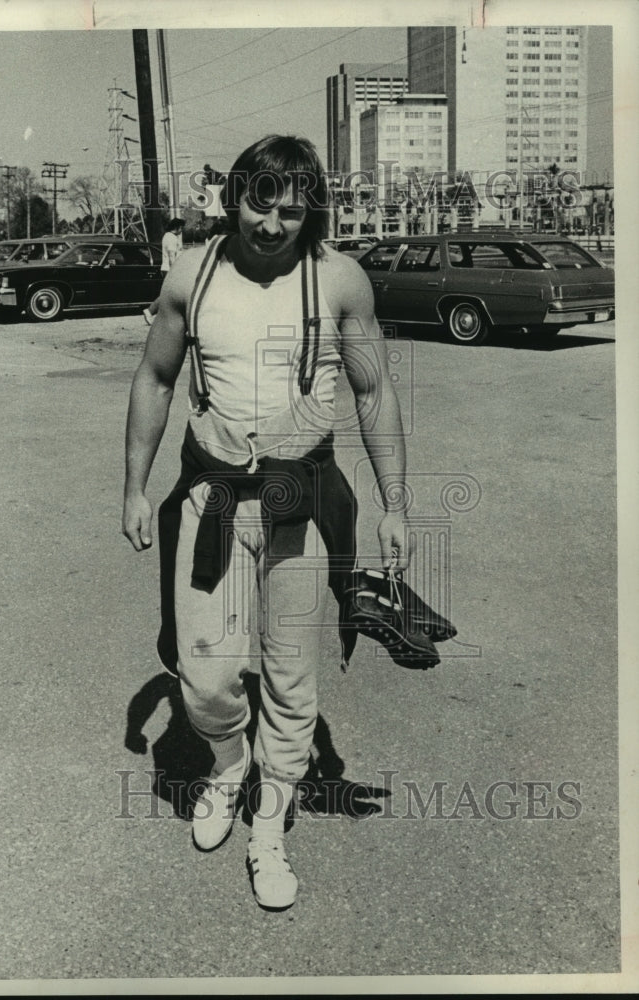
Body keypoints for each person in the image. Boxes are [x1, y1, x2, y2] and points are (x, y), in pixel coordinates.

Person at [122, 134, 409, 911]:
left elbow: (373, 394)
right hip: (211, 501)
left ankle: (271, 818)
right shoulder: (194, 273)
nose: (274, 224)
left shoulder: (339, 280)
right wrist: (135, 487)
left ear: (310, 211)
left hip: (298, 502)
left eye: (292, 209)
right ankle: (224, 764)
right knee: (208, 675)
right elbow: (154, 377)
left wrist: (393, 505)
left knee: (290, 674)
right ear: (232, 196)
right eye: (259, 202)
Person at [143, 217, 185, 324]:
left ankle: (152, 312)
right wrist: (174, 271)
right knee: (169, 294)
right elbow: (172, 256)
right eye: (181, 228)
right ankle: (150, 311)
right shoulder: (171, 238)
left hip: (167, 268)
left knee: (170, 294)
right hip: (170, 269)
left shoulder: (167, 236)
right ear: (177, 227)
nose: (182, 231)